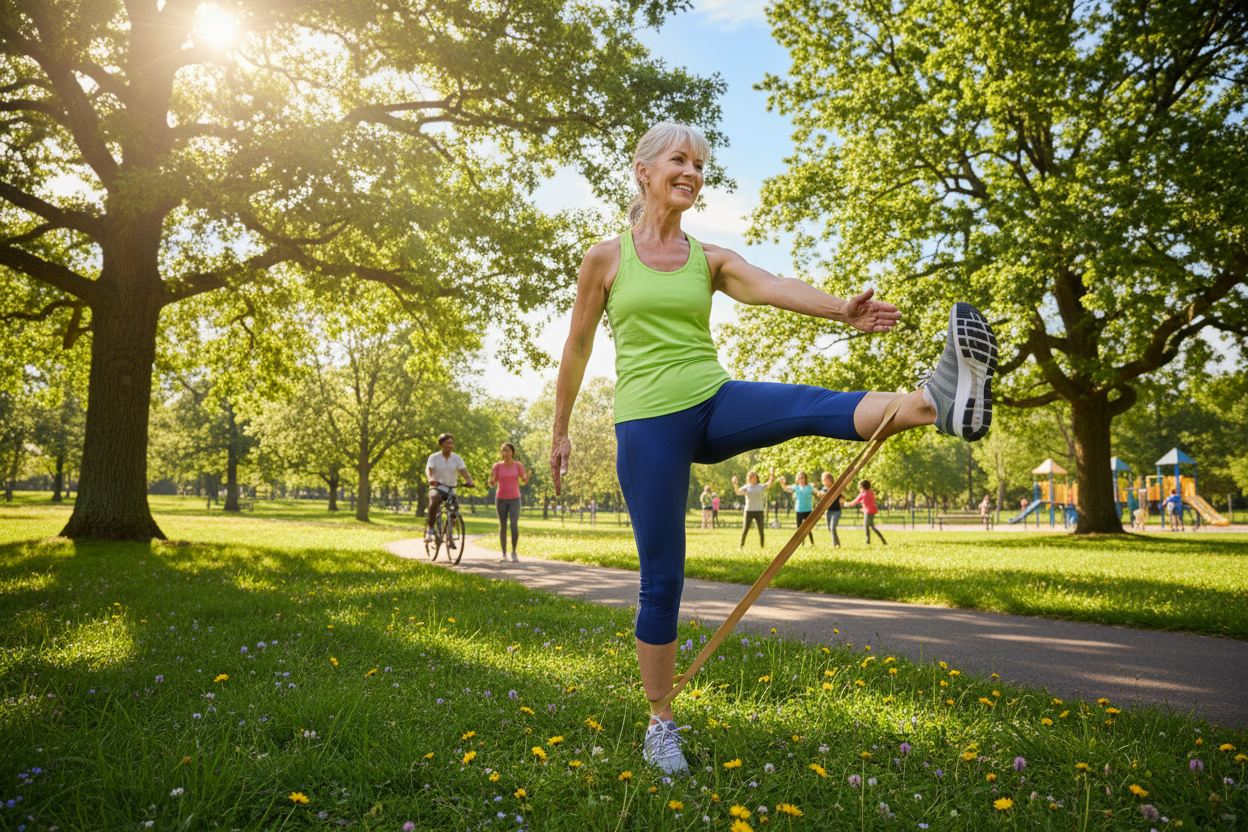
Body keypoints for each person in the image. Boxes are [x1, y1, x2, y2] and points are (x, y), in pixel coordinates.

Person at [547, 122, 997, 776]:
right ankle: (660, 723)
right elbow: (579, 344)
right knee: (662, 578)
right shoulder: (606, 259)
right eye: (680, 160)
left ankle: (933, 403)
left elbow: (774, 286)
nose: (693, 173)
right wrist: (560, 428)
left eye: (700, 165)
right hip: (647, 424)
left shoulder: (710, 258)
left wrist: (842, 310)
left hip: (712, 399)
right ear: (643, 170)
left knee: (806, 403)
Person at [426, 433, 475, 543]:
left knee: (454, 510)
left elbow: (464, 471)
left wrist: (470, 481)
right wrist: (431, 479)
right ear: (441, 444)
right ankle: (430, 528)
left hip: (450, 489)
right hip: (437, 488)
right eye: (447, 443)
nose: (450, 446)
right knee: (434, 499)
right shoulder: (434, 457)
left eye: (452, 443)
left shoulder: (457, 458)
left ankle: (450, 532)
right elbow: (429, 470)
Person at [489, 442, 530, 562]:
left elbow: (523, 480)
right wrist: (491, 480)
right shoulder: (497, 466)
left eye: (507, 450)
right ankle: (503, 554)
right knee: (503, 525)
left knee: (513, 525)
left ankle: (514, 552)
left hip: (514, 499)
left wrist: (526, 478)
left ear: (512, 452)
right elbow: (492, 482)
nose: (505, 453)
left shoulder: (518, 465)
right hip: (501, 498)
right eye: (503, 451)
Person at [733, 469, 774, 549]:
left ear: (757, 478)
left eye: (753, 476)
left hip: (759, 511)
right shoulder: (746, 487)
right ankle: (741, 546)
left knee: (761, 530)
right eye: (750, 476)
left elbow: (769, 484)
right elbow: (738, 492)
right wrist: (735, 484)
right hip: (749, 511)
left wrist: (771, 474)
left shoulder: (760, 486)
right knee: (745, 529)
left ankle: (762, 546)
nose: (752, 478)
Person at [779, 472, 817, 546]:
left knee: (808, 528)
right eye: (799, 478)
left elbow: (817, 492)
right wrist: (782, 483)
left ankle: (812, 543)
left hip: (808, 510)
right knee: (799, 528)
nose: (801, 479)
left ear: (805, 479)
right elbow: (786, 488)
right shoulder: (796, 487)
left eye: (802, 478)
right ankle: (801, 543)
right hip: (799, 510)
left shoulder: (809, 487)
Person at [846, 479, 886, 544]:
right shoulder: (870, 492)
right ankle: (881, 539)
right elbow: (868, 502)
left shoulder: (863, 493)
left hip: (868, 511)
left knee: (867, 526)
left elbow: (855, 501)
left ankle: (869, 541)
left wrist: (847, 504)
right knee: (871, 526)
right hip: (872, 510)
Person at [818, 471, 843, 548]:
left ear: (830, 479)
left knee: (832, 527)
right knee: (830, 528)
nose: (825, 481)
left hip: (836, 511)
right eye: (824, 479)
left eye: (826, 479)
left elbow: (842, 497)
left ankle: (835, 545)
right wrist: (820, 493)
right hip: (828, 511)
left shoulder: (835, 488)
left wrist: (842, 502)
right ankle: (837, 543)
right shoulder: (824, 489)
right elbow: (820, 494)